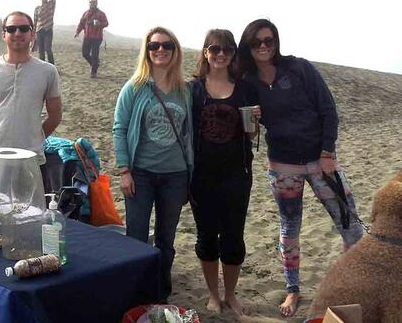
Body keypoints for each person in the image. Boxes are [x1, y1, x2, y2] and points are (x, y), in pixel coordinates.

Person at [237, 18, 364, 317]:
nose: (264, 46)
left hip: (321, 162)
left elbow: (327, 108)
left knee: (350, 225)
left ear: (276, 41)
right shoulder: (247, 82)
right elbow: (250, 132)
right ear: (248, 46)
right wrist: (252, 121)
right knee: (289, 228)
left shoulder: (299, 68)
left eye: (269, 40)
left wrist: (327, 152)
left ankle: (355, 286)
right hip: (283, 166)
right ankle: (292, 289)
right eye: (257, 42)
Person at [112, 27, 192, 303]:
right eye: (153, 46)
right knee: (136, 237)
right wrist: (124, 170)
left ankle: (160, 292)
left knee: (166, 240)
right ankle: (135, 293)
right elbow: (119, 128)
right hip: (141, 174)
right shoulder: (134, 87)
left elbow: (188, 133)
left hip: (175, 175)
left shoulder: (184, 90)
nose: (160, 50)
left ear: (175, 50)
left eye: (166, 45)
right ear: (146, 51)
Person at [188, 29, 260, 315]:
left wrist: (255, 121)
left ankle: (230, 294)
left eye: (227, 50)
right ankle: (213, 294)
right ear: (205, 52)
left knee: (233, 238)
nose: (220, 55)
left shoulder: (244, 88)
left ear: (233, 55)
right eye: (215, 49)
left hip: (236, 175)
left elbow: (251, 135)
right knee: (206, 236)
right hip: (201, 175)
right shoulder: (193, 89)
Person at [0, 11, 62, 166]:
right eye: (11, 29)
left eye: (24, 29)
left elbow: (55, 115)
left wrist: (36, 138)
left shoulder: (48, 71)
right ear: (3, 35)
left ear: (32, 34)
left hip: (31, 156)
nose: (17, 33)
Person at [74, 0, 108, 77]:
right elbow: (81, 23)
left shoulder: (101, 14)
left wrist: (100, 23)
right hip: (87, 36)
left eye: (94, 2)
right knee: (85, 53)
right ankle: (94, 64)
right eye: (91, 2)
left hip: (97, 37)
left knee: (94, 54)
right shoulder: (86, 13)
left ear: (96, 3)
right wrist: (77, 32)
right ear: (89, 3)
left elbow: (106, 23)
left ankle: (94, 72)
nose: (92, 3)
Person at [33, 0, 59, 64]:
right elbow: (35, 22)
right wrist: (33, 34)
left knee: (48, 49)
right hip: (39, 30)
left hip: (48, 30)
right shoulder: (37, 9)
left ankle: (52, 66)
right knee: (41, 50)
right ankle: (43, 67)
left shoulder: (51, 4)